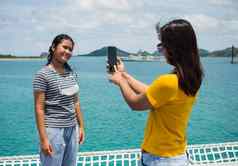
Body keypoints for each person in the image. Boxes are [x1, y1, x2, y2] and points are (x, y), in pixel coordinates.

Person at [109, 19, 204, 166]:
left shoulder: (168, 81)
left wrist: (120, 81)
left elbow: (135, 103)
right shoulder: (191, 79)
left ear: (174, 48)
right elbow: (153, 94)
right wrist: (125, 75)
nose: (161, 50)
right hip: (177, 155)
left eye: (162, 45)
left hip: (160, 158)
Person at [33, 34, 85, 166]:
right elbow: (39, 109)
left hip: (72, 129)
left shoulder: (71, 73)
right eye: (65, 47)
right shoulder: (43, 75)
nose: (67, 52)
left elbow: (76, 102)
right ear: (53, 48)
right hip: (53, 131)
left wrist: (81, 126)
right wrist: (44, 139)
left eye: (70, 49)